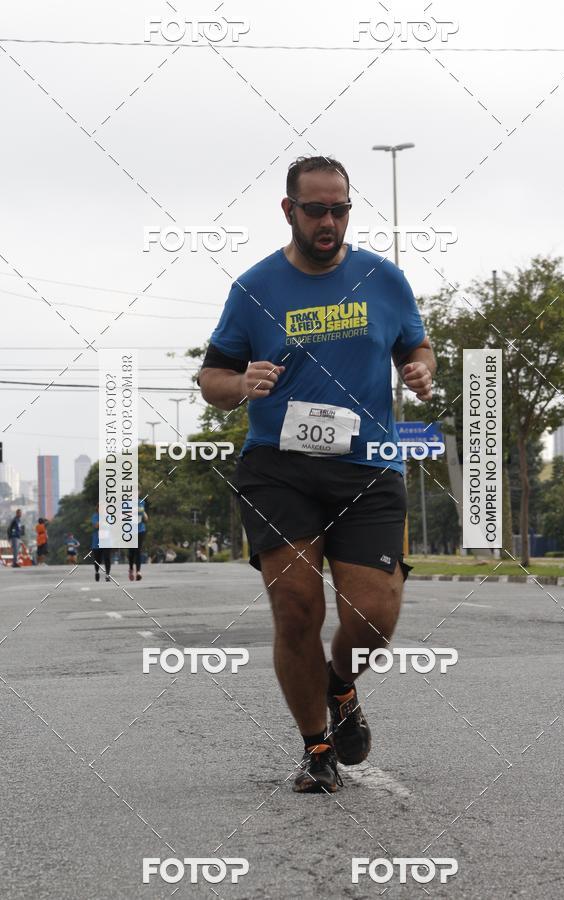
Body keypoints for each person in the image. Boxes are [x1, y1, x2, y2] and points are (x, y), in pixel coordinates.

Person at [198, 156, 435, 793]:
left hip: (366, 466)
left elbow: (415, 342)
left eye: (340, 209)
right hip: (280, 467)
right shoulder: (254, 288)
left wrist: (420, 368)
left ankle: (340, 686)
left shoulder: (383, 278)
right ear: (289, 211)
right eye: (316, 210)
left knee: (374, 617)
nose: (329, 222)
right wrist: (240, 382)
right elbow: (210, 379)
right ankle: (317, 746)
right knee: (297, 605)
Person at [128, 499, 147, 581]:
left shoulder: (141, 502)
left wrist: (143, 514)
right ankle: (131, 569)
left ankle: (138, 571)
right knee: (131, 552)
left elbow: (145, 517)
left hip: (140, 530)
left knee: (138, 551)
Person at [91, 505, 111, 582]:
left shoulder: (109, 516)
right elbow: (96, 525)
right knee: (97, 560)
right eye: (100, 508)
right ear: (98, 508)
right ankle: (97, 572)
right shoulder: (95, 516)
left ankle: (107, 574)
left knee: (107, 558)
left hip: (107, 541)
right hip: (97, 542)